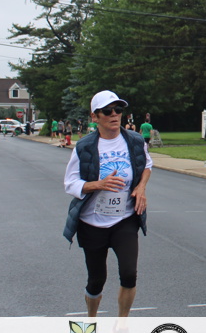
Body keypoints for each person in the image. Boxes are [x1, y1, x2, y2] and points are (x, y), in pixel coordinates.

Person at [63, 90, 151, 317]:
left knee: (129, 274)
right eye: (107, 111)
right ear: (95, 117)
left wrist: (141, 187)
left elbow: (147, 165)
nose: (114, 115)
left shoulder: (134, 141)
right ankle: (91, 322)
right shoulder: (84, 147)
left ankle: (122, 324)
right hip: (92, 222)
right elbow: (70, 183)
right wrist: (98, 184)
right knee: (96, 280)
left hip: (124, 218)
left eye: (118, 110)